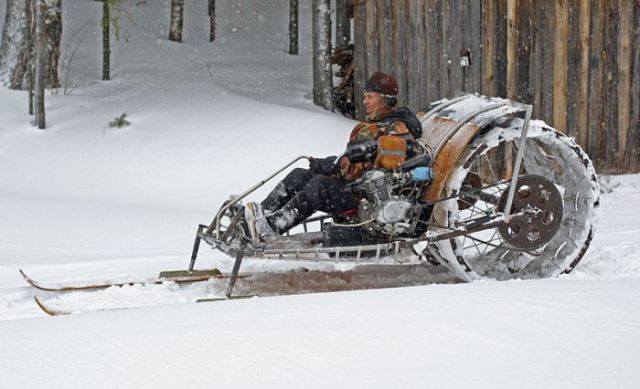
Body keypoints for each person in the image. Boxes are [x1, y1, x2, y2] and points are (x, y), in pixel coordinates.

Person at [244, 72, 422, 243]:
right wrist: (326, 164)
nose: (365, 101)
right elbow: (350, 160)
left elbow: (355, 169)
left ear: (384, 99)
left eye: (370, 97)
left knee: (320, 186)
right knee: (300, 174)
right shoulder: (379, 125)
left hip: (367, 201)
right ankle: (261, 216)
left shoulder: (394, 129)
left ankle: (272, 227)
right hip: (357, 188)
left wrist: (327, 166)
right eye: (365, 96)